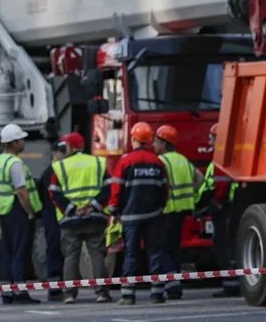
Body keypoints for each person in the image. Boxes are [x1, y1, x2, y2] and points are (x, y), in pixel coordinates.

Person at [108, 122, 169, 305]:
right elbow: (164, 191)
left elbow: (117, 189)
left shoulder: (125, 162)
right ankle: (157, 293)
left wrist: (114, 210)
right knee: (155, 253)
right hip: (153, 216)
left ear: (134, 139)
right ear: (150, 140)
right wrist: (159, 208)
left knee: (131, 255)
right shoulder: (158, 162)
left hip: (130, 217)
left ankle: (128, 294)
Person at [49, 132, 112, 303]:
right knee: (97, 254)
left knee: (71, 256)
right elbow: (108, 188)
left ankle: (69, 293)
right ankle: (101, 292)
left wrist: (72, 209)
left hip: (71, 220)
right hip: (95, 217)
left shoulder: (61, 166)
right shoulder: (98, 163)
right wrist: (93, 206)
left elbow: (54, 192)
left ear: (70, 147)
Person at [0, 123, 42, 304]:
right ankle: (20, 292)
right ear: (13, 143)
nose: (23, 141)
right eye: (21, 139)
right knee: (20, 250)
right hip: (17, 209)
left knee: (8, 250)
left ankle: (7, 292)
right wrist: (29, 212)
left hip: (4, 210)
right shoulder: (15, 164)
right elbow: (21, 191)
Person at [153, 125, 204, 300]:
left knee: (162, 248)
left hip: (166, 210)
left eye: (156, 142)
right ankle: (175, 284)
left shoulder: (162, 162)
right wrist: (192, 194)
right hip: (182, 211)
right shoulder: (183, 160)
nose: (153, 145)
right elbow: (200, 179)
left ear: (164, 144)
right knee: (174, 248)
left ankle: (173, 285)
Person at [198, 123, 241, 298]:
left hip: (224, 209)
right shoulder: (230, 157)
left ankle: (231, 286)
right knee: (228, 247)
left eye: (212, 137)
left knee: (223, 248)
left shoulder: (220, 160)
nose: (209, 141)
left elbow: (219, 185)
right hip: (231, 207)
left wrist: (212, 204)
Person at [37, 140, 67, 301]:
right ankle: (55, 290)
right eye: (61, 151)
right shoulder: (51, 172)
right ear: (55, 153)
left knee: (63, 251)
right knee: (55, 250)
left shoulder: (57, 170)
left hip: (57, 215)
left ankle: (61, 287)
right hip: (53, 216)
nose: (63, 154)